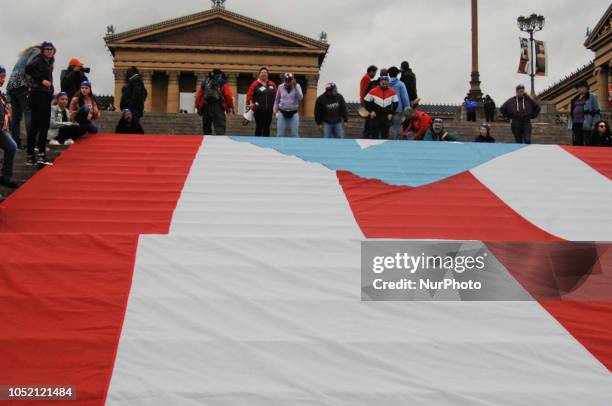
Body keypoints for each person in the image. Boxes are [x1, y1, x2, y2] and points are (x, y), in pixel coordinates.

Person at [25, 41, 56, 165]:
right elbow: (28, 69)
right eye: (47, 49)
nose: (49, 51)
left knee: (35, 126)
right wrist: (42, 79)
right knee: (42, 126)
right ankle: (41, 155)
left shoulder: (46, 62)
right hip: (39, 95)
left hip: (40, 95)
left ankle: (30, 155)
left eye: (51, 49)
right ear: (42, 50)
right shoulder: (39, 60)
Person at [6, 44, 40, 149]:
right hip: (22, 85)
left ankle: (15, 143)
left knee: (16, 117)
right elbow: (29, 66)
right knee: (29, 111)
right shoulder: (37, 51)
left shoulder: (26, 52)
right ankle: (32, 143)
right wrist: (31, 84)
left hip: (12, 85)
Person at [195, 69, 235, 135]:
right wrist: (231, 107)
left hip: (206, 106)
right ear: (220, 74)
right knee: (220, 130)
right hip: (218, 106)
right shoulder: (222, 82)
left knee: (206, 129)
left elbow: (199, 95)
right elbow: (228, 95)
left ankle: (206, 144)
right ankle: (219, 144)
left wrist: (198, 106)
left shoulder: (205, 82)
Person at [0, 65, 18, 188]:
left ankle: (5, 177)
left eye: (4, 77)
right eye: (1, 77)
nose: (3, 79)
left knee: (12, 146)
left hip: (2, 129)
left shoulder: (1, 94)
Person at [568, 81, 601, 146]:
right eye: (578, 88)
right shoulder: (575, 97)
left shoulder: (592, 96)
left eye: (581, 87)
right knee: (577, 142)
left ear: (586, 88)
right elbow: (572, 110)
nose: (579, 89)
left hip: (587, 123)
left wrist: (595, 124)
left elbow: (597, 111)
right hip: (575, 123)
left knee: (588, 142)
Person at [246, 67, 276, 137]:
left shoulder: (272, 84)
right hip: (258, 110)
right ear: (259, 74)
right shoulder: (254, 84)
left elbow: (276, 97)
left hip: (269, 111)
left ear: (268, 74)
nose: (264, 74)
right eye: (262, 73)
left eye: (265, 73)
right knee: (259, 126)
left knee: (267, 127)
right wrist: (250, 103)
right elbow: (249, 95)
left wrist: (276, 109)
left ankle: (266, 145)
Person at [274, 73, 303, 137]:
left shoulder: (297, 86)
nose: (288, 82)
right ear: (284, 80)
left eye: (290, 80)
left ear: (293, 79)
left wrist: (295, 87)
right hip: (282, 111)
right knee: (279, 134)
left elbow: (300, 98)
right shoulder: (280, 87)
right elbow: (277, 100)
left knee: (294, 135)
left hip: (294, 112)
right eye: (286, 80)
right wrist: (275, 110)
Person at [387, 66, 410, 139]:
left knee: (385, 130)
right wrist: (407, 108)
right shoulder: (400, 84)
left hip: (385, 110)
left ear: (389, 74)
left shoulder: (384, 84)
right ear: (397, 74)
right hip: (397, 110)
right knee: (398, 130)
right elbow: (405, 98)